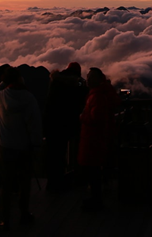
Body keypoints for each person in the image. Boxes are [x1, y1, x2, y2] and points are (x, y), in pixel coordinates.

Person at [0, 67, 43, 228]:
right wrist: (36, 144)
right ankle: (24, 214)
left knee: (5, 185)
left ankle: (4, 218)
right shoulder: (29, 98)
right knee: (24, 182)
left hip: (6, 147)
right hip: (24, 147)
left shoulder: (1, 96)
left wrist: (2, 83)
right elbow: (34, 125)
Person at [78, 67, 119, 211]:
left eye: (91, 77)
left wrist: (83, 117)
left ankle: (96, 200)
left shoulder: (97, 96)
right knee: (95, 170)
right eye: (88, 76)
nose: (87, 79)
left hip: (93, 138)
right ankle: (96, 199)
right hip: (95, 138)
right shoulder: (99, 94)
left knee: (93, 171)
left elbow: (97, 118)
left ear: (98, 79)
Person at [44, 62, 88, 193]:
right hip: (65, 125)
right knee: (61, 154)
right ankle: (61, 182)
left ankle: (52, 183)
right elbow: (80, 101)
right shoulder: (74, 85)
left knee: (53, 155)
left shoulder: (55, 82)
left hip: (51, 123)